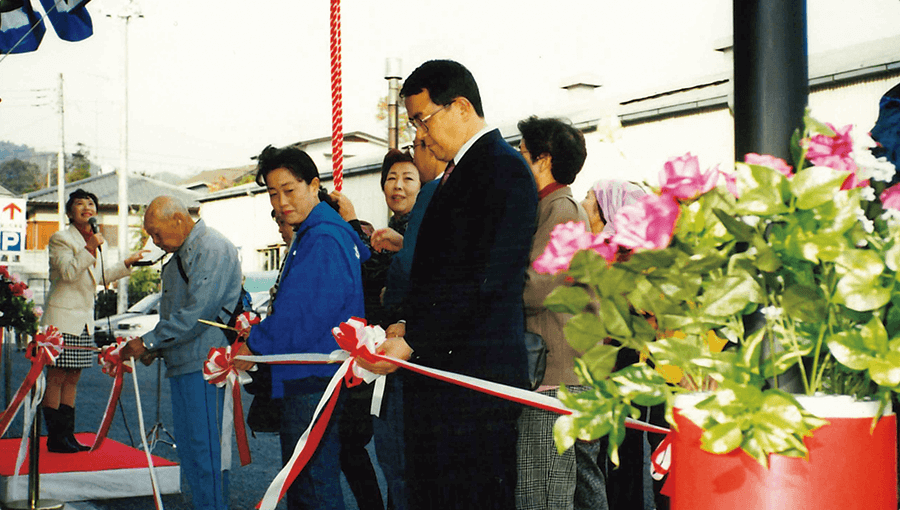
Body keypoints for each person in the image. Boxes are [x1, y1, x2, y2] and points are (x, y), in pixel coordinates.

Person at [360, 59, 538, 509]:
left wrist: (416, 338)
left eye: (423, 119)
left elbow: (484, 280)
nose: (422, 132)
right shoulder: (460, 173)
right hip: (446, 378)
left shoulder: (502, 169)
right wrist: (405, 327)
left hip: (475, 385)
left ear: (459, 106)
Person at [232, 145, 369, 510]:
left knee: (311, 480)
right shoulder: (318, 232)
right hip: (313, 372)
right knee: (310, 477)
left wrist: (255, 342)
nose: (281, 202)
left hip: (312, 375)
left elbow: (306, 315)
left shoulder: (322, 237)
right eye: (273, 193)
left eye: (289, 190)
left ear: (314, 185)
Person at [118, 195, 242, 510]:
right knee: (191, 451)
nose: (155, 241)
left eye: (157, 233)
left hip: (204, 365)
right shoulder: (186, 250)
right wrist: (157, 349)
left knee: (206, 451)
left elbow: (198, 314)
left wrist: (148, 342)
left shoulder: (210, 247)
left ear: (177, 219)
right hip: (186, 363)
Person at [513, 117, 605, 510]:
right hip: (575, 374)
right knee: (582, 488)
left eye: (522, 152)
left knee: (543, 494)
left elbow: (536, 287)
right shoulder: (561, 207)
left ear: (543, 159)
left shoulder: (559, 209)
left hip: (555, 379)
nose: (517, 159)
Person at [327, 148, 421, 510]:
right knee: (372, 450)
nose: (397, 186)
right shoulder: (394, 229)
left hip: (403, 362)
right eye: (391, 178)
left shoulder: (421, 230)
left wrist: (351, 224)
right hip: (379, 359)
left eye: (407, 178)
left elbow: (374, 281)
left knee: (398, 460)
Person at [582, 180, 669, 510]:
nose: (584, 202)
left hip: (627, 362)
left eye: (591, 198)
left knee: (627, 450)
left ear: (607, 211)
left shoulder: (616, 257)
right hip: (624, 361)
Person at [42, 188, 145, 453]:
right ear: (69, 212)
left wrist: (126, 263)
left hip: (84, 320)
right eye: (79, 203)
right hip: (61, 319)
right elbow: (66, 272)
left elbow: (98, 277)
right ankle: (55, 437)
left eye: (91, 203)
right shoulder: (60, 238)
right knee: (56, 377)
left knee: (73, 377)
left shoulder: (99, 242)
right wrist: (89, 247)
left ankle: (68, 436)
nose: (87, 207)